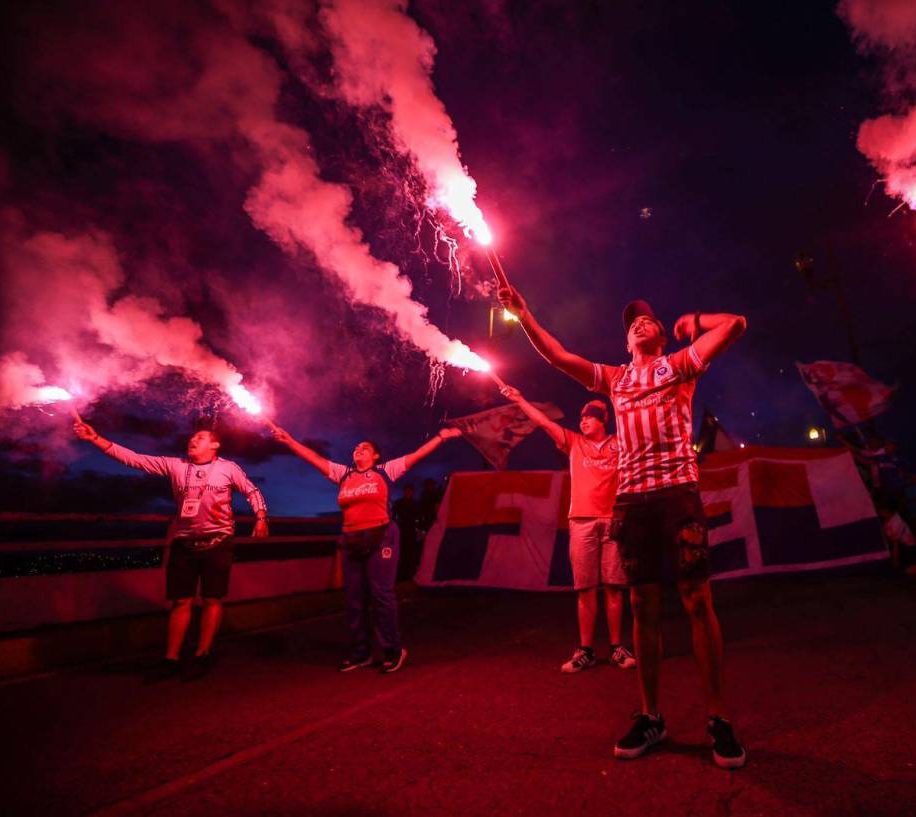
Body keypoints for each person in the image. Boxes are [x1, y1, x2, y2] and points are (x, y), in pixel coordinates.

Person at [499, 283, 748, 768]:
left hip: (678, 493)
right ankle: (651, 716)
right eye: (632, 323)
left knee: (698, 601)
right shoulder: (614, 379)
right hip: (633, 503)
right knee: (642, 606)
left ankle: (718, 718)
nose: (639, 323)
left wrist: (696, 321)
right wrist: (524, 313)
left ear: (662, 335)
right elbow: (558, 357)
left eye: (648, 319)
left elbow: (736, 325)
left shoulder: (679, 364)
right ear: (626, 341)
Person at [72, 420, 270, 683]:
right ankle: (171, 658)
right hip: (184, 542)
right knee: (181, 601)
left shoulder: (228, 468)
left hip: (219, 541)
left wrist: (261, 516)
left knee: (212, 599)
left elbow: (251, 490)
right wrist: (95, 438)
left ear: (214, 445)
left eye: (200, 437)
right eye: (192, 437)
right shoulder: (176, 465)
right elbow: (135, 460)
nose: (193, 440)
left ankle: (202, 654)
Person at [270, 423, 462, 673]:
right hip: (352, 538)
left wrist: (440, 437)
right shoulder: (344, 474)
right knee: (354, 599)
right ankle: (361, 653)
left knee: (381, 595)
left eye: (365, 448)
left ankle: (393, 650)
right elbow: (315, 459)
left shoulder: (385, 471)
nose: (359, 449)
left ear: (376, 456)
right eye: (357, 447)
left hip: (381, 535)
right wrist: (289, 441)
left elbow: (417, 455)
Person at [500, 383, 637, 673]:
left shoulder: (620, 443)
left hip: (613, 521)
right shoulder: (573, 443)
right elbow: (543, 422)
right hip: (582, 522)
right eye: (582, 418)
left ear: (603, 421)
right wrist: (520, 399)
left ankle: (616, 648)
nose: (583, 421)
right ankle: (585, 650)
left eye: (590, 417)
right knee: (585, 589)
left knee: (614, 588)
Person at [392, 483, 421, 579]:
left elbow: (419, 518)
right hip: (402, 530)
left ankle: (409, 574)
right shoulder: (399, 503)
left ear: (412, 492)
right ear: (404, 492)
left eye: (410, 491)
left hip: (411, 531)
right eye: (407, 491)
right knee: (401, 552)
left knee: (411, 552)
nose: (408, 493)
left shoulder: (416, 504)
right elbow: (394, 517)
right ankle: (402, 574)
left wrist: (419, 530)